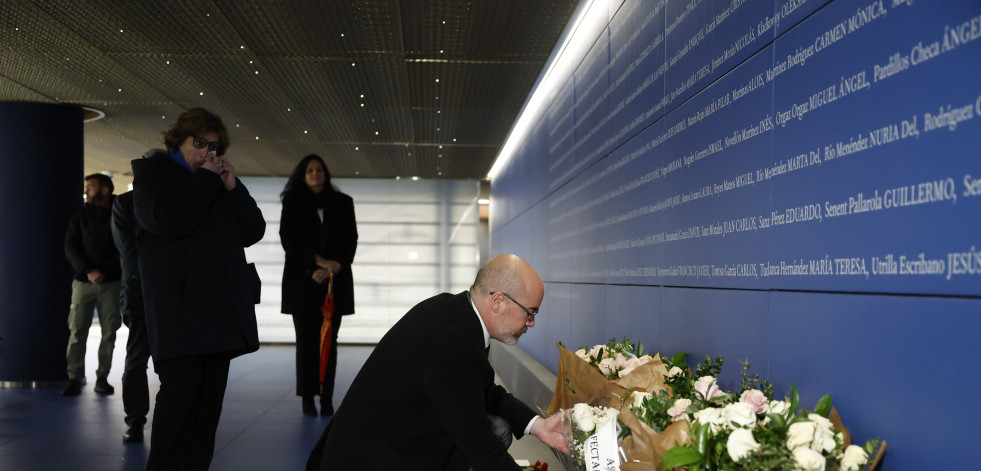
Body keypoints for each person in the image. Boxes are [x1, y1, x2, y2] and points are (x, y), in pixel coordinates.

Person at [307, 254, 569, 471]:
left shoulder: (453, 311)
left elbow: (484, 389)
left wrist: (538, 426)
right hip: (372, 458)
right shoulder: (452, 343)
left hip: (379, 439)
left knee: (498, 427)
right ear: (498, 301)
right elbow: (477, 443)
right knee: (489, 435)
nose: (531, 323)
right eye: (531, 311)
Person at [132, 107, 265, 470]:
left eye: (214, 146)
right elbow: (169, 220)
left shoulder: (217, 182)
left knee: (207, 413)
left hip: (218, 314)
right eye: (200, 142)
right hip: (180, 314)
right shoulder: (153, 175)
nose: (207, 152)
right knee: (180, 405)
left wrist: (233, 188)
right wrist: (208, 182)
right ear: (178, 139)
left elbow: (253, 231)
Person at [279, 154, 358, 417]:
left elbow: (350, 240)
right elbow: (289, 241)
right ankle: (307, 398)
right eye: (310, 170)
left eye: (319, 170)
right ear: (303, 175)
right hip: (302, 281)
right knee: (306, 343)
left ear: (326, 174)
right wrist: (317, 264)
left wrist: (334, 265)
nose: (315, 174)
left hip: (334, 282)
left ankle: (326, 398)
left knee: (329, 343)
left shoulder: (343, 202)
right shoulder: (292, 202)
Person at [62, 173, 122, 396]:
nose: (86, 191)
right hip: (83, 283)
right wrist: (89, 271)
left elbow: (124, 247)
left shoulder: (119, 213)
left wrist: (103, 272)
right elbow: (70, 246)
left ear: (105, 190)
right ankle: (74, 377)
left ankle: (102, 378)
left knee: (109, 334)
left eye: (91, 187)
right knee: (77, 332)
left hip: (111, 283)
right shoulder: (80, 216)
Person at [110, 190, 151, 443]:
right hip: (141, 294)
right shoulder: (126, 203)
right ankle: (135, 419)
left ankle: (136, 421)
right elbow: (128, 251)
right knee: (137, 361)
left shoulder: (126, 204)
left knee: (137, 360)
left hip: (140, 292)